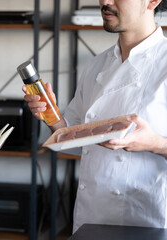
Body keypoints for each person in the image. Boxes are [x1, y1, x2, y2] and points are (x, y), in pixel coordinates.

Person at [23, 0, 167, 233]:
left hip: (145, 222)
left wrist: (157, 144)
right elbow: (76, 140)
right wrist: (50, 116)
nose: (105, 2)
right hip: (91, 218)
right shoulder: (96, 65)